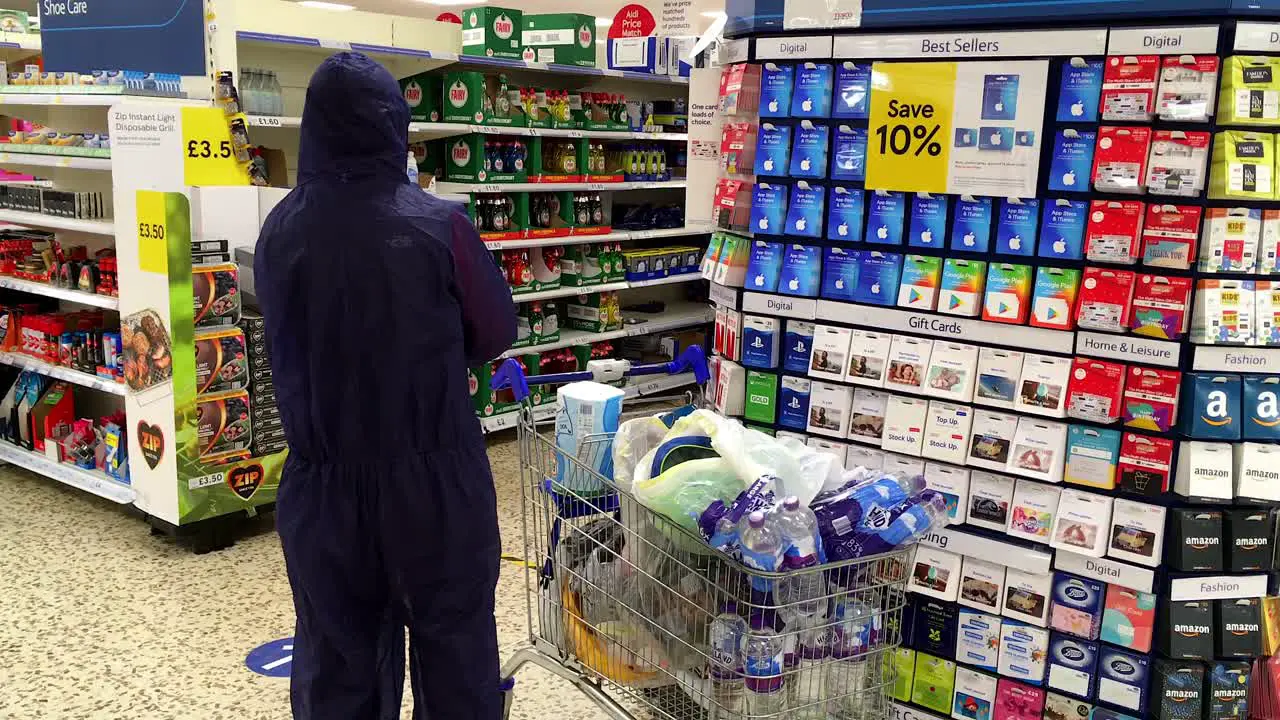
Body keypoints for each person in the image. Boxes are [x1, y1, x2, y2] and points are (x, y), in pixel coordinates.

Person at [254, 52, 517, 720]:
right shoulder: (439, 224)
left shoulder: (279, 233)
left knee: (339, 660)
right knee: (454, 649)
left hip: (323, 490)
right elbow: (495, 331)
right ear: (393, 126)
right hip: (435, 484)